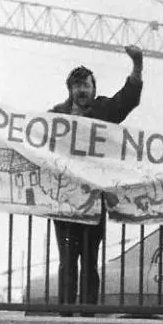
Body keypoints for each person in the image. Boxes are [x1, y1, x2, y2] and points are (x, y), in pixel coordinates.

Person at [48, 47, 144, 306]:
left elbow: (127, 99)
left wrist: (137, 66)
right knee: (67, 260)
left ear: (93, 88)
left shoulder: (103, 110)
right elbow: (27, 135)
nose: (82, 90)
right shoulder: (56, 115)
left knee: (90, 259)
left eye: (86, 85)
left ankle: (88, 312)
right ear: (70, 90)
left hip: (93, 199)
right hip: (65, 199)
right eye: (77, 86)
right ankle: (66, 312)